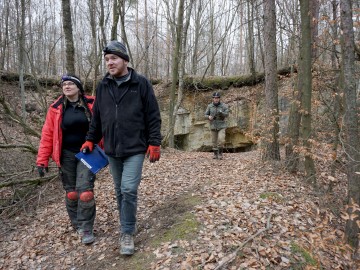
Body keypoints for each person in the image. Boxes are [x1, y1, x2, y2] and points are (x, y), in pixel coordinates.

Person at [80, 40, 162, 255]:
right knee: (119, 190)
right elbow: (97, 117)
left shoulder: (141, 83)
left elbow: (153, 116)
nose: (110, 63)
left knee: (128, 189)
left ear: (125, 60)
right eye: (107, 60)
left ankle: (127, 232)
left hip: (135, 147)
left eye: (114, 58)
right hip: (112, 149)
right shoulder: (103, 86)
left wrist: (154, 142)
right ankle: (127, 223)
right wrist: (91, 139)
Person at [36, 74, 97, 245]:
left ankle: (86, 228)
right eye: (64, 84)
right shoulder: (55, 108)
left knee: (85, 193)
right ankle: (77, 223)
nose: (67, 86)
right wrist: (42, 160)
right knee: (72, 193)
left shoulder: (92, 103)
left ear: (79, 87)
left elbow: (106, 124)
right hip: (66, 154)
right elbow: (47, 135)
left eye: (71, 84)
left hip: (88, 152)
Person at [205, 92, 229, 159]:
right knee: (214, 141)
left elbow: (227, 114)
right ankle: (215, 154)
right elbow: (205, 115)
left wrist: (222, 113)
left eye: (217, 98)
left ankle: (220, 154)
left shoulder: (223, 106)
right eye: (215, 98)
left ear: (219, 98)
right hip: (213, 125)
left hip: (221, 125)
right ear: (213, 98)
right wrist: (208, 117)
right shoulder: (210, 106)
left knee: (221, 140)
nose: (216, 99)